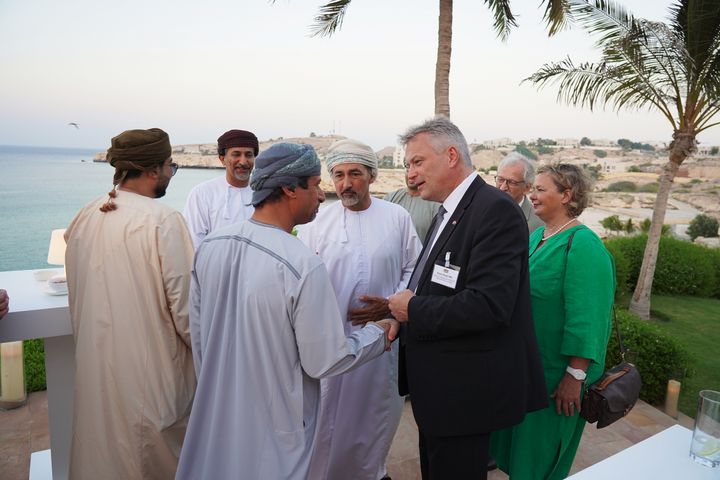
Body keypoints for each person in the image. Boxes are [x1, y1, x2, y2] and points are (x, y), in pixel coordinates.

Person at [176, 143, 400, 480]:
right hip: (275, 432)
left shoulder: (211, 247)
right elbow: (325, 360)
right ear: (289, 189)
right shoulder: (300, 263)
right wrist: (378, 334)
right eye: (315, 185)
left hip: (219, 418)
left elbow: (200, 335)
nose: (323, 195)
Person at [383, 117, 547, 480]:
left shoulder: (495, 210)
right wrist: (400, 315)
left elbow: (490, 305)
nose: (410, 173)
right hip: (441, 392)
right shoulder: (453, 210)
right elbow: (436, 280)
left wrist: (412, 309)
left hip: (464, 394)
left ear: (452, 155)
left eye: (417, 161)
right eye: (408, 164)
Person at [64, 128, 195, 479]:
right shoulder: (163, 221)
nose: (170, 173)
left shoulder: (84, 216)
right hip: (154, 385)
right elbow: (188, 315)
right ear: (154, 169)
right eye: (171, 166)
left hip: (97, 376)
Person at [298, 139, 422, 480]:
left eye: (355, 173)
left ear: (371, 176)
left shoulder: (396, 217)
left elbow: (415, 270)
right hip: (330, 340)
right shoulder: (316, 222)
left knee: (373, 416)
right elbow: (302, 279)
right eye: (338, 175)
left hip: (383, 339)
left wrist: (390, 306)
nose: (346, 183)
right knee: (325, 418)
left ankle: (370, 473)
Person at [490, 163, 615, 479]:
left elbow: (588, 318)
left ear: (567, 195)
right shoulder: (536, 238)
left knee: (540, 461)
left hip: (556, 380)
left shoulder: (583, 245)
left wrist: (574, 376)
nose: (532, 195)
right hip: (527, 371)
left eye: (540, 189)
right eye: (532, 189)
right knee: (518, 455)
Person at [183, 129, 258, 247]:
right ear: (222, 159)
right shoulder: (202, 193)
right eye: (236, 154)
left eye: (249, 155)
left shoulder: (265, 191)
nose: (243, 161)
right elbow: (193, 242)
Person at [384, 170, 441, 243]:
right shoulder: (390, 198)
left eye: (415, 172)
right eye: (407, 170)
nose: (410, 175)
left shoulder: (435, 204)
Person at [495, 152, 543, 233]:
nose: (503, 187)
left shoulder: (539, 224)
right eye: (500, 179)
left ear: (527, 188)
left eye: (512, 182)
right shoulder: (482, 211)